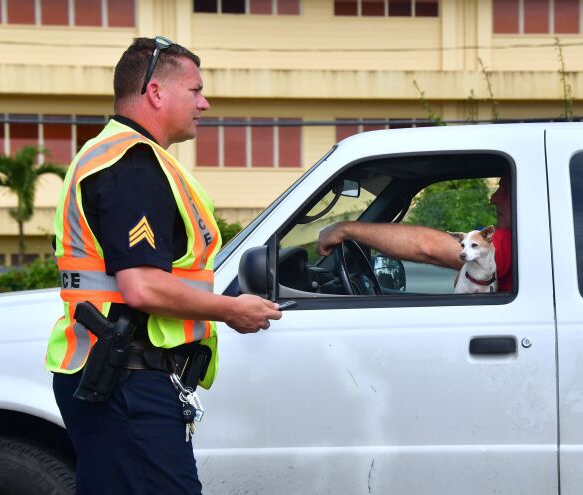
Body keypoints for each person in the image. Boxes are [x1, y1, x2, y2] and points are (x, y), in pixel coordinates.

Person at [45, 36, 282, 494]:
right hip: (127, 382)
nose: (204, 103)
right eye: (194, 90)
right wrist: (233, 310)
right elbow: (142, 287)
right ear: (155, 92)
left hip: (120, 375)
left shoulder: (124, 157)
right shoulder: (131, 165)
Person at [318, 174, 513, 291]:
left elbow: (426, 247)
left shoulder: (511, 241)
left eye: (504, 189)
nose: (493, 198)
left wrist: (345, 229)